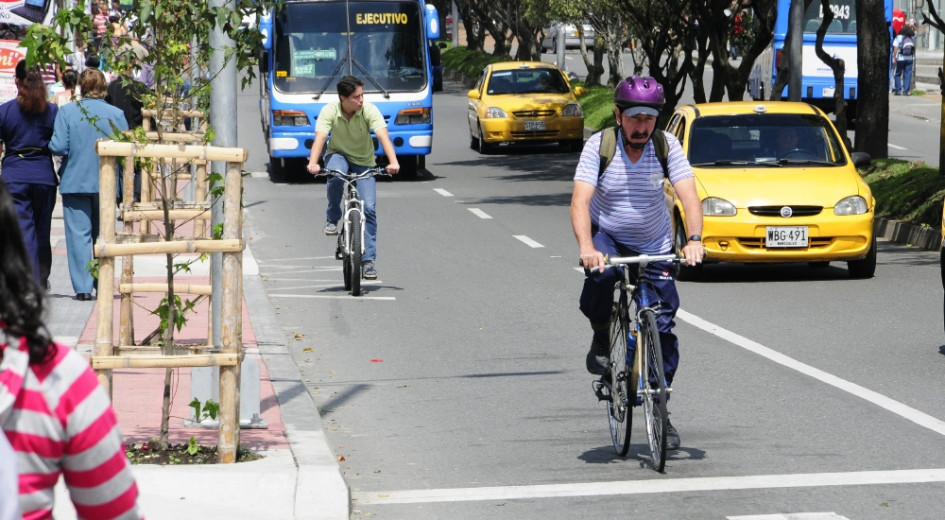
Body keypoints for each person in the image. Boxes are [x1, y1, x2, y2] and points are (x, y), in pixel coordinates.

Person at [570, 76, 704, 451]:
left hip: (656, 241)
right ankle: (601, 333)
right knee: (601, 274)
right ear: (618, 115)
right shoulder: (599, 146)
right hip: (609, 236)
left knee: (662, 326)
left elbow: (689, 197)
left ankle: (660, 409)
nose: (642, 126)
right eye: (634, 117)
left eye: (649, 117)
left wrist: (693, 240)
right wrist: (586, 247)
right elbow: (579, 202)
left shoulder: (667, 146)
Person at [0, 181, 144, 520]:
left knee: (77, 232)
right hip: (79, 179)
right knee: (83, 231)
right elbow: (114, 511)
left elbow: (59, 141)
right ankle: (85, 285)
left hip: (55, 176)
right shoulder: (57, 378)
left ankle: (81, 285)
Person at [305, 75, 400, 280]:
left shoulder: (368, 110)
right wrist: (313, 163)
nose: (361, 100)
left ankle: (368, 261)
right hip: (338, 154)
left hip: (364, 159)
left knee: (370, 208)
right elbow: (320, 137)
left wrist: (393, 162)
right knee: (336, 176)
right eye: (356, 97)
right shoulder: (330, 111)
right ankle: (332, 218)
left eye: (362, 95)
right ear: (343, 98)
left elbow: (383, 135)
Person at [49, 68, 129, 301]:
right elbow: (125, 152)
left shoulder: (67, 112)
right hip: (106, 183)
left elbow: (58, 146)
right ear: (103, 87)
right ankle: (101, 283)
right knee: (102, 234)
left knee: (78, 235)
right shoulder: (116, 114)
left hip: (75, 180)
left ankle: (83, 288)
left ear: (81, 87)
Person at [0, 60, 59, 289]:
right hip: (44, 175)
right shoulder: (52, 111)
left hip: (14, 176)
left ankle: (31, 281)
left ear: (16, 80)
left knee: (24, 232)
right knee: (42, 231)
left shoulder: (4, 111)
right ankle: (41, 278)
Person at [892, 24, 916, 96]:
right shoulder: (912, 37)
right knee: (908, 75)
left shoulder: (899, 37)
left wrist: (894, 57)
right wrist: (913, 26)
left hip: (900, 58)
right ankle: (906, 91)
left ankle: (898, 90)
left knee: (898, 74)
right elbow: (916, 31)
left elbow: (896, 48)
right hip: (910, 58)